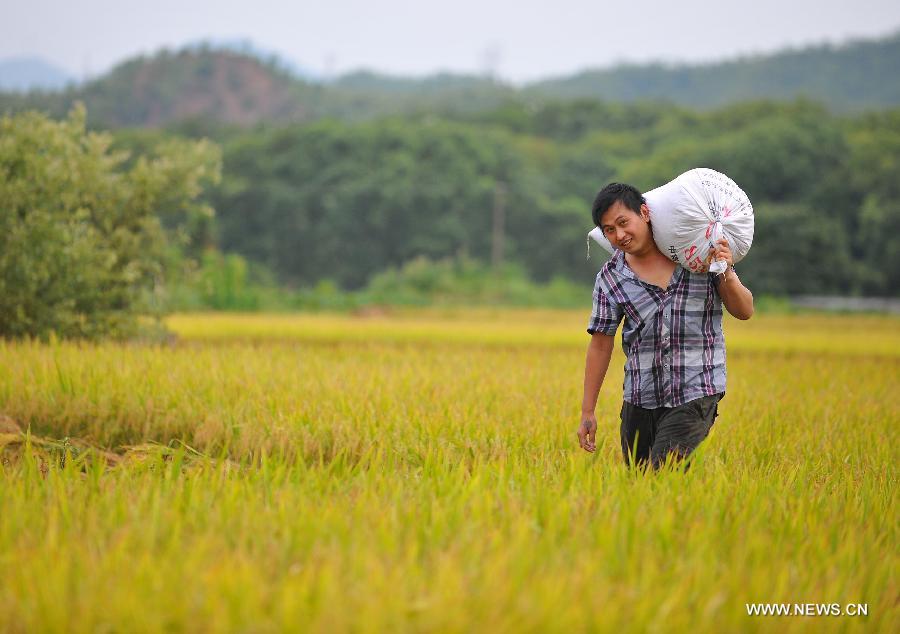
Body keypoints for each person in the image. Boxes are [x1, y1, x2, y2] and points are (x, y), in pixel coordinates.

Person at [576, 182, 754, 471]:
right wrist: (587, 410)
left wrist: (727, 271)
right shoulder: (610, 277)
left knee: (664, 474)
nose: (619, 235)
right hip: (639, 395)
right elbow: (600, 342)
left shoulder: (696, 256)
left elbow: (744, 311)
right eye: (609, 230)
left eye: (623, 222)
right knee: (641, 488)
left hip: (696, 389)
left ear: (644, 213)